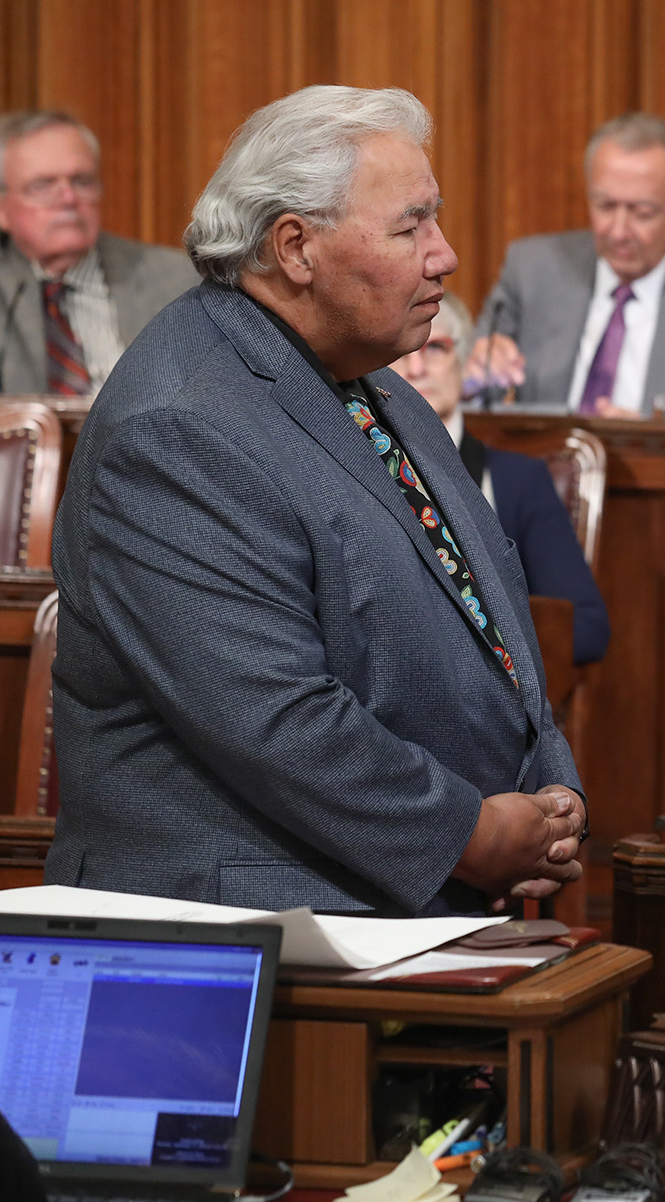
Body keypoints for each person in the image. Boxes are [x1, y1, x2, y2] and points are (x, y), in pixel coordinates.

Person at [47, 85, 586, 917]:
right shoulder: (178, 426)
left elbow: (484, 609)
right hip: (253, 936)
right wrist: (471, 835)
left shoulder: (369, 383)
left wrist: (550, 787)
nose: (444, 255)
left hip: (396, 911)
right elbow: (274, 717)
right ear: (295, 246)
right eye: (411, 226)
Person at [473, 113, 665, 431]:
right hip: (536, 472)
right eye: (605, 206)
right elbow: (468, 396)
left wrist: (652, 440)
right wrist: (475, 373)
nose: (618, 231)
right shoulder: (533, 270)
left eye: (642, 212)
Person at [396, 290, 610, 664]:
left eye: (435, 348)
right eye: (400, 353)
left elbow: (586, 628)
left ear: (462, 362)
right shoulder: (349, 465)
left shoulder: (519, 480)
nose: (416, 368)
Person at [0, 110, 197, 395]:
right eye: (42, 186)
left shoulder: (177, 281)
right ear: (3, 210)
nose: (68, 198)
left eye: (82, 181)